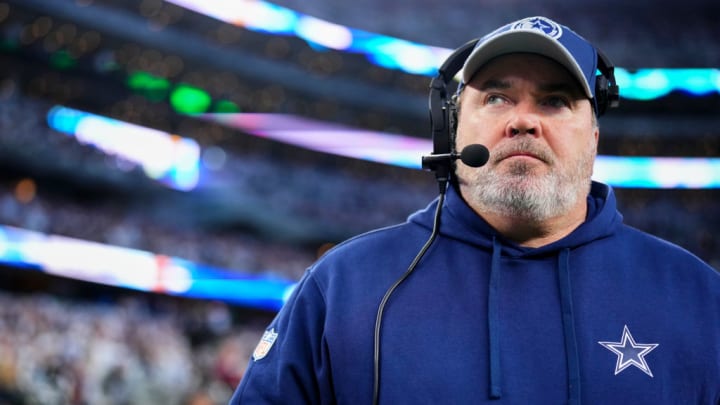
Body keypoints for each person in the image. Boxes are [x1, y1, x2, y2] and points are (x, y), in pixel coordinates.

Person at [229, 16, 720, 404]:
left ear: (593, 136)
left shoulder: (699, 297)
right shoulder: (343, 287)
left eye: (555, 101)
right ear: (452, 129)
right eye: (497, 97)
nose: (523, 120)